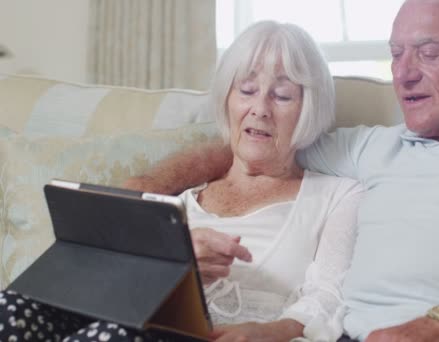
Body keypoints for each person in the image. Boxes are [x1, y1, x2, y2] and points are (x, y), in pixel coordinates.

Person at [125, 0, 439, 341]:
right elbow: (258, 141)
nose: (404, 72)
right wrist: (146, 191)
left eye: (429, 52)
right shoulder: (371, 147)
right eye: (396, 53)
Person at [0, 21, 363, 342]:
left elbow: (329, 294)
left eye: (282, 95)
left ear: (310, 108)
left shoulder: (336, 195)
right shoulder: (178, 199)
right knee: (10, 305)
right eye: (247, 90)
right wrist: (171, 270)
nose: (260, 108)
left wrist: (271, 331)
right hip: (136, 322)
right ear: (226, 100)